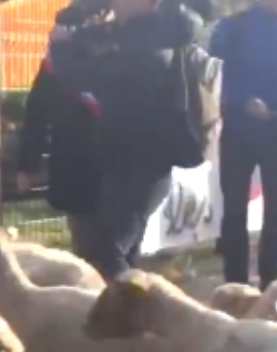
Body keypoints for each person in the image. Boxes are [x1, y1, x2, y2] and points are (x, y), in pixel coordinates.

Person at [46, 0, 206, 280]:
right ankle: (130, 314)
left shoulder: (156, 39)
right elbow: (89, 37)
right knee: (121, 253)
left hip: (142, 164)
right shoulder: (135, 31)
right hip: (121, 160)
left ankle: (127, 309)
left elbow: (100, 78)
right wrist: (78, 20)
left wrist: (62, 49)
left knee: (108, 254)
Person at [210, 0, 277, 290]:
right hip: (238, 130)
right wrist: (242, 100)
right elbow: (216, 74)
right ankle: (235, 284)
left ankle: (274, 282)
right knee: (234, 210)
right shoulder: (233, 27)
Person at [16, 3, 108, 258]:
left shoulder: (58, 63)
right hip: (112, 166)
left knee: (90, 246)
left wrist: (28, 165)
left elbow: (36, 112)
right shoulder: (119, 48)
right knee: (112, 248)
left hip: (77, 165)